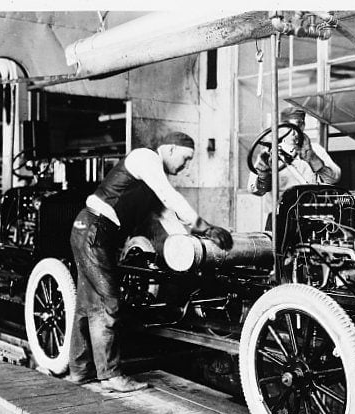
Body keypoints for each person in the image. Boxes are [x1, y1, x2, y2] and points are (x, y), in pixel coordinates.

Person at [68, 131, 233, 392]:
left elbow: (169, 219)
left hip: (91, 230)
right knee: (107, 303)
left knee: (87, 305)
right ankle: (110, 376)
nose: (186, 165)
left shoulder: (149, 180)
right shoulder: (145, 158)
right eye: (186, 158)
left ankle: (79, 371)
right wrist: (205, 226)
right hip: (95, 230)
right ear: (169, 149)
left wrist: (196, 246)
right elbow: (170, 196)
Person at [247, 107, 341, 196]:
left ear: (304, 126)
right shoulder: (267, 155)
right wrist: (263, 176)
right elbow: (255, 190)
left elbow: (334, 179)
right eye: (288, 126)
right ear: (280, 128)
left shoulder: (316, 150)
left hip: (308, 209)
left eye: (298, 125)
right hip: (280, 211)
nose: (294, 132)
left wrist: (313, 159)